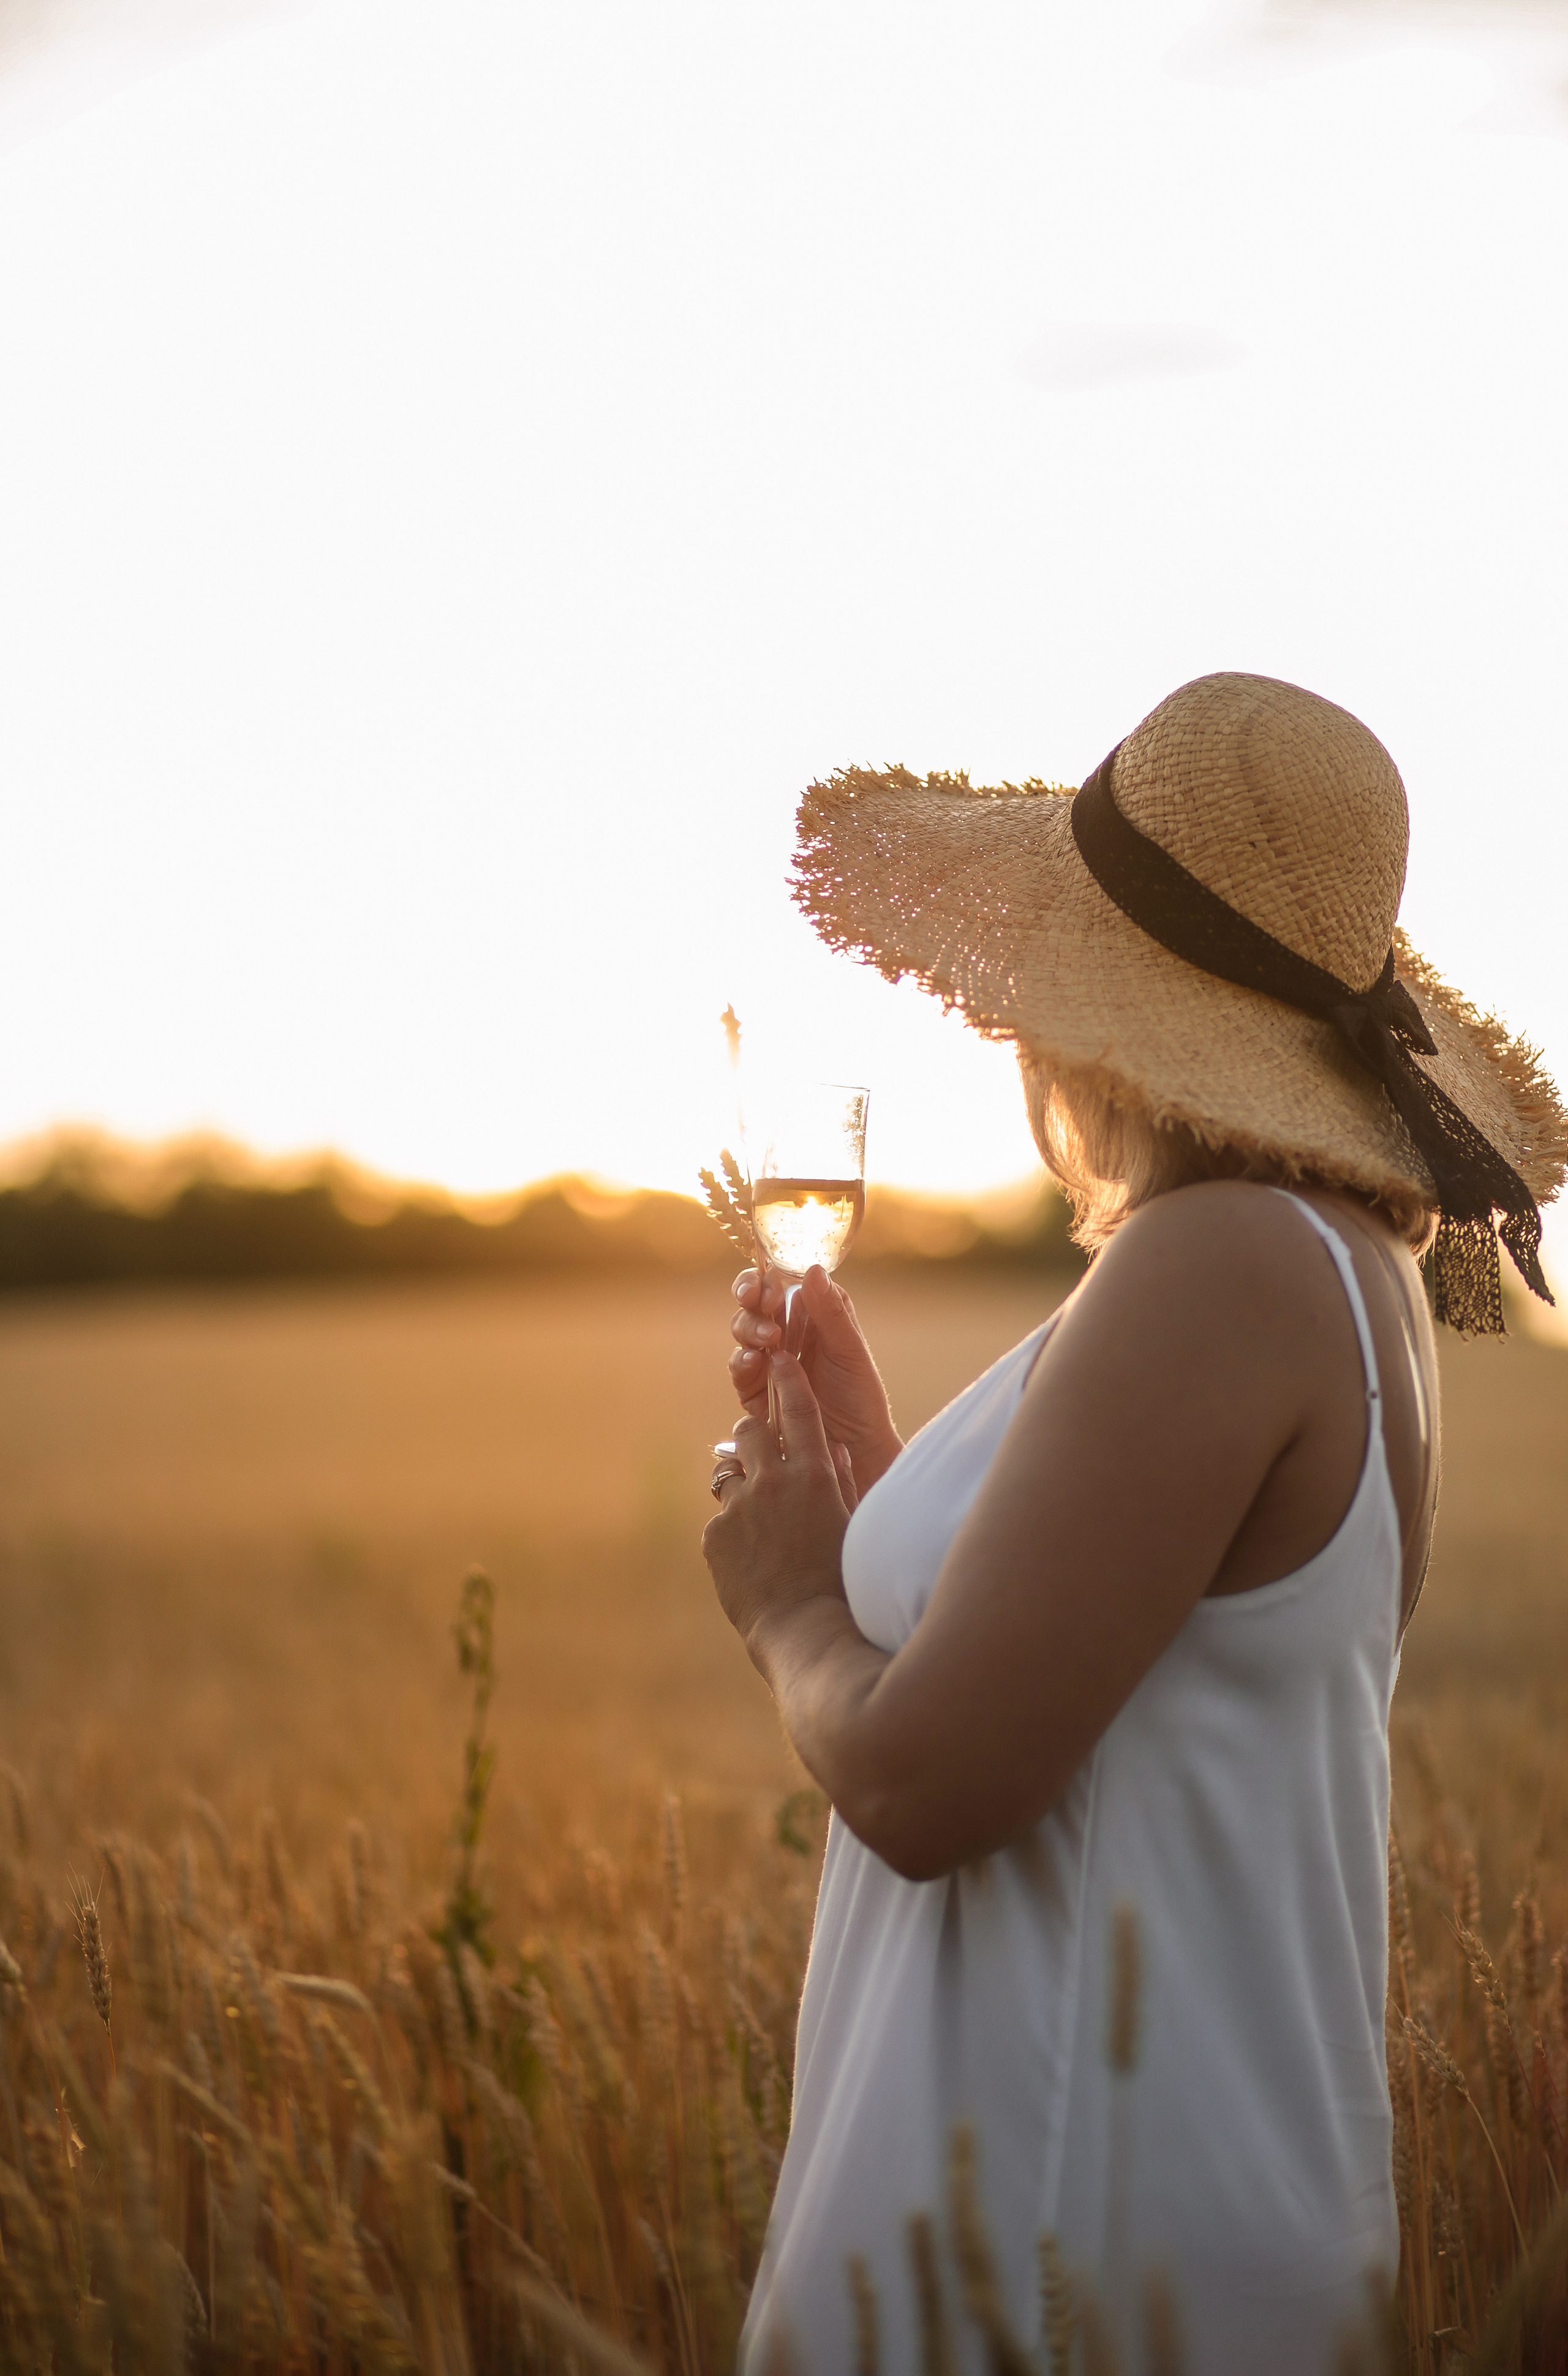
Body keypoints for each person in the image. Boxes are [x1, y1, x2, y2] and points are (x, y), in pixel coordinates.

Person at [701, 674, 1566, 2375]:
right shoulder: (1319, 1262)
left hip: (1061, 2237)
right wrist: (879, 1481)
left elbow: (932, 1786)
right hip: (1131, 2211)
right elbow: (1093, 1649)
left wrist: (791, 1604)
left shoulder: (1217, 1261)